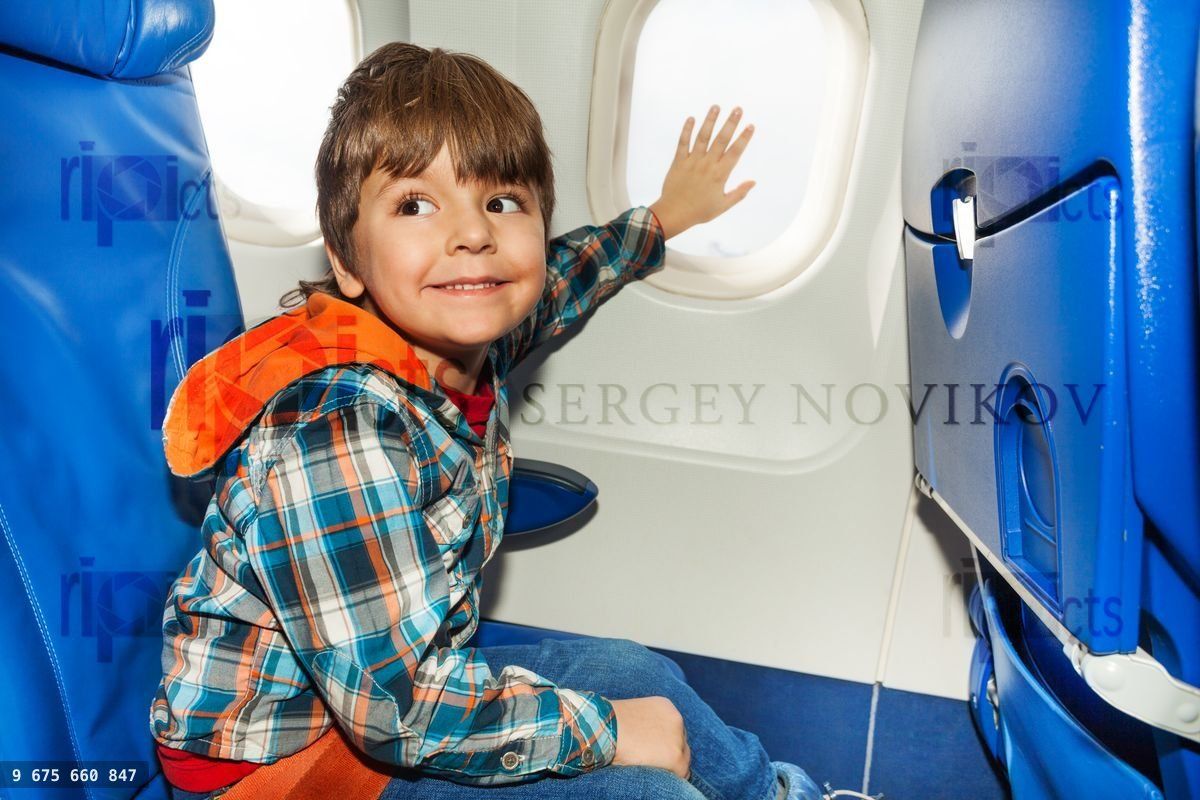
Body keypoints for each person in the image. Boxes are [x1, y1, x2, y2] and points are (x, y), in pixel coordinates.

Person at [150, 41, 841, 800]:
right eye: (415, 204)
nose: (473, 232)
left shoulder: (464, 340)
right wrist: (608, 735)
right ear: (348, 260)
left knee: (640, 675)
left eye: (503, 200)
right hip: (283, 766)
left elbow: (568, 276)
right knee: (649, 793)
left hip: (377, 704)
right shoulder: (336, 429)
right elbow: (397, 710)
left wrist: (665, 218)